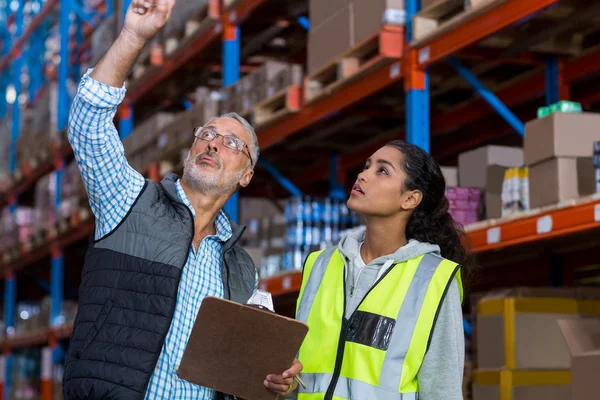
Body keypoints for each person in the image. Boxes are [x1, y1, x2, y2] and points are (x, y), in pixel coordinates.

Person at [62, 0, 301, 399]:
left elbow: (248, 369)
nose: (212, 144)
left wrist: (277, 381)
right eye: (205, 134)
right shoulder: (130, 203)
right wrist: (133, 35)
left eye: (230, 143)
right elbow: (87, 124)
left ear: (246, 175)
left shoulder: (242, 270)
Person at [292, 140, 473, 400]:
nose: (363, 175)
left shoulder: (434, 279)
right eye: (367, 166)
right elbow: (298, 370)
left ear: (410, 199)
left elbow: (442, 390)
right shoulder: (319, 264)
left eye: (383, 170)